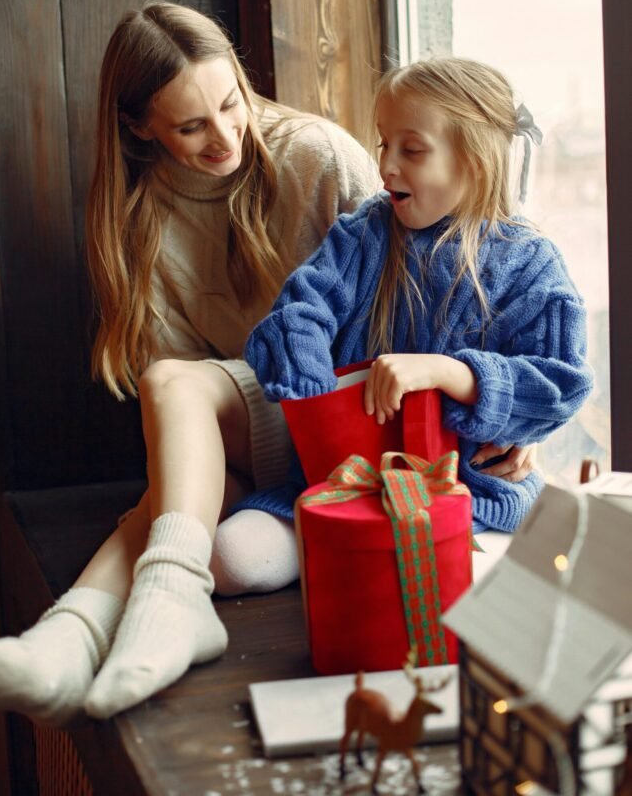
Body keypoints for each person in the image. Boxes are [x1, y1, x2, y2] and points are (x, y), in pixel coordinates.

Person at [0, 1, 382, 725]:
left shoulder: (317, 155)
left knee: (171, 388)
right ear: (137, 125)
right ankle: (73, 636)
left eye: (229, 103)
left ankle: (92, 624)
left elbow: (410, 301)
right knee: (176, 491)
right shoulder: (137, 212)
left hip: (347, 410)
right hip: (258, 432)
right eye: (190, 126)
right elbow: (178, 422)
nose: (223, 136)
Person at [238, 56, 593, 550]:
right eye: (385, 143)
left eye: (412, 149)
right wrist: (323, 411)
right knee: (233, 557)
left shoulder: (530, 263)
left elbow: (559, 383)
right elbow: (299, 314)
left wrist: (447, 373)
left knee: (439, 573)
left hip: (468, 499)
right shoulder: (363, 234)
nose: (385, 165)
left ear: (473, 161)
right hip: (345, 486)